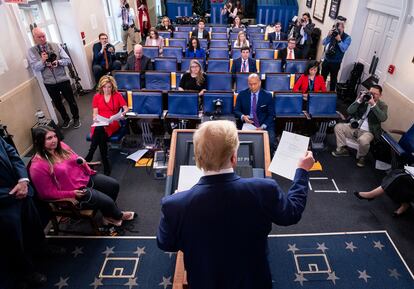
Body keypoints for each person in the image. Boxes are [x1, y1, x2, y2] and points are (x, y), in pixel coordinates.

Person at [157, 120, 315, 289]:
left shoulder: (174, 205)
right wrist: (302, 172)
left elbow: (166, 243)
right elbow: (291, 213)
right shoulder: (264, 190)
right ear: (233, 158)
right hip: (253, 281)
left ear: (198, 157)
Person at [29, 126, 135, 227]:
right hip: (74, 193)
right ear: (39, 141)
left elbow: (76, 158)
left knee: (113, 185)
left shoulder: (61, 146)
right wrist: (71, 194)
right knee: (108, 202)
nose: (54, 140)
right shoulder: (37, 166)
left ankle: (108, 215)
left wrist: (83, 163)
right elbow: (45, 194)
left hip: (83, 177)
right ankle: (116, 215)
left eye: (55, 136)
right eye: (49, 138)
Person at [0, 137, 47, 289]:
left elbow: (11, 153)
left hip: (21, 190)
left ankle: (41, 249)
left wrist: (23, 180)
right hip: (3, 203)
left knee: (33, 224)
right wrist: (11, 193)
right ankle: (26, 272)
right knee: (14, 241)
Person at [28, 27, 81, 129]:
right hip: (49, 82)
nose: (42, 38)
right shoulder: (32, 51)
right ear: (34, 38)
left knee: (71, 100)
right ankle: (66, 119)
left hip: (62, 79)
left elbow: (67, 60)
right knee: (57, 103)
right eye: (39, 37)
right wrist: (43, 61)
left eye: (43, 36)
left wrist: (58, 62)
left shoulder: (55, 45)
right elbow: (35, 67)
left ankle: (76, 118)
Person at [332, 84, 388, 167]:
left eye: (375, 94)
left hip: (369, 131)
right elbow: (349, 111)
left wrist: (373, 105)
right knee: (338, 127)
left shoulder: (382, 105)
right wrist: (359, 100)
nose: (372, 95)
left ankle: (361, 156)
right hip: (355, 126)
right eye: (370, 92)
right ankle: (343, 149)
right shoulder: (364, 100)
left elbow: (383, 118)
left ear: (380, 95)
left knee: (363, 141)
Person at [85, 75, 129, 175]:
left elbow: (126, 108)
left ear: (112, 87)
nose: (106, 89)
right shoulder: (96, 96)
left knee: (99, 131)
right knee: (100, 130)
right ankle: (105, 161)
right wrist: (95, 118)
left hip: (112, 122)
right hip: (100, 122)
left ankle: (90, 155)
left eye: (109, 87)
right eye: (104, 87)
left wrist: (122, 114)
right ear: (101, 87)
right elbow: (95, 112)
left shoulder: (117, 95)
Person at [234, 74, 275, 155]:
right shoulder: (242, 94)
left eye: (255, 84)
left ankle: (268, 162)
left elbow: (271, 115)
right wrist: (243, 116)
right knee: (240, 143)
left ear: (259, 83)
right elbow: (236, 110)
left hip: (264, 123)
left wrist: (262, 127)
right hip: (247, 123)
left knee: (270, 142)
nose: (252, 86)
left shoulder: (268, 95)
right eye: (250, 84)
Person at [321, 20, 351, 91]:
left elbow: (344, 49)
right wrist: (328, 36)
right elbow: (323, 43)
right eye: (335, 28)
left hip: (336, 63)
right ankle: (320, 93)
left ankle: (331, 94)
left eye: (339, 29)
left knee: (333, 80)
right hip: (326, 60)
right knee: (322, 78)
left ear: (343, 28)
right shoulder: (331, 34)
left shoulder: (347, 38)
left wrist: (339, 40)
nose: (337, 31)